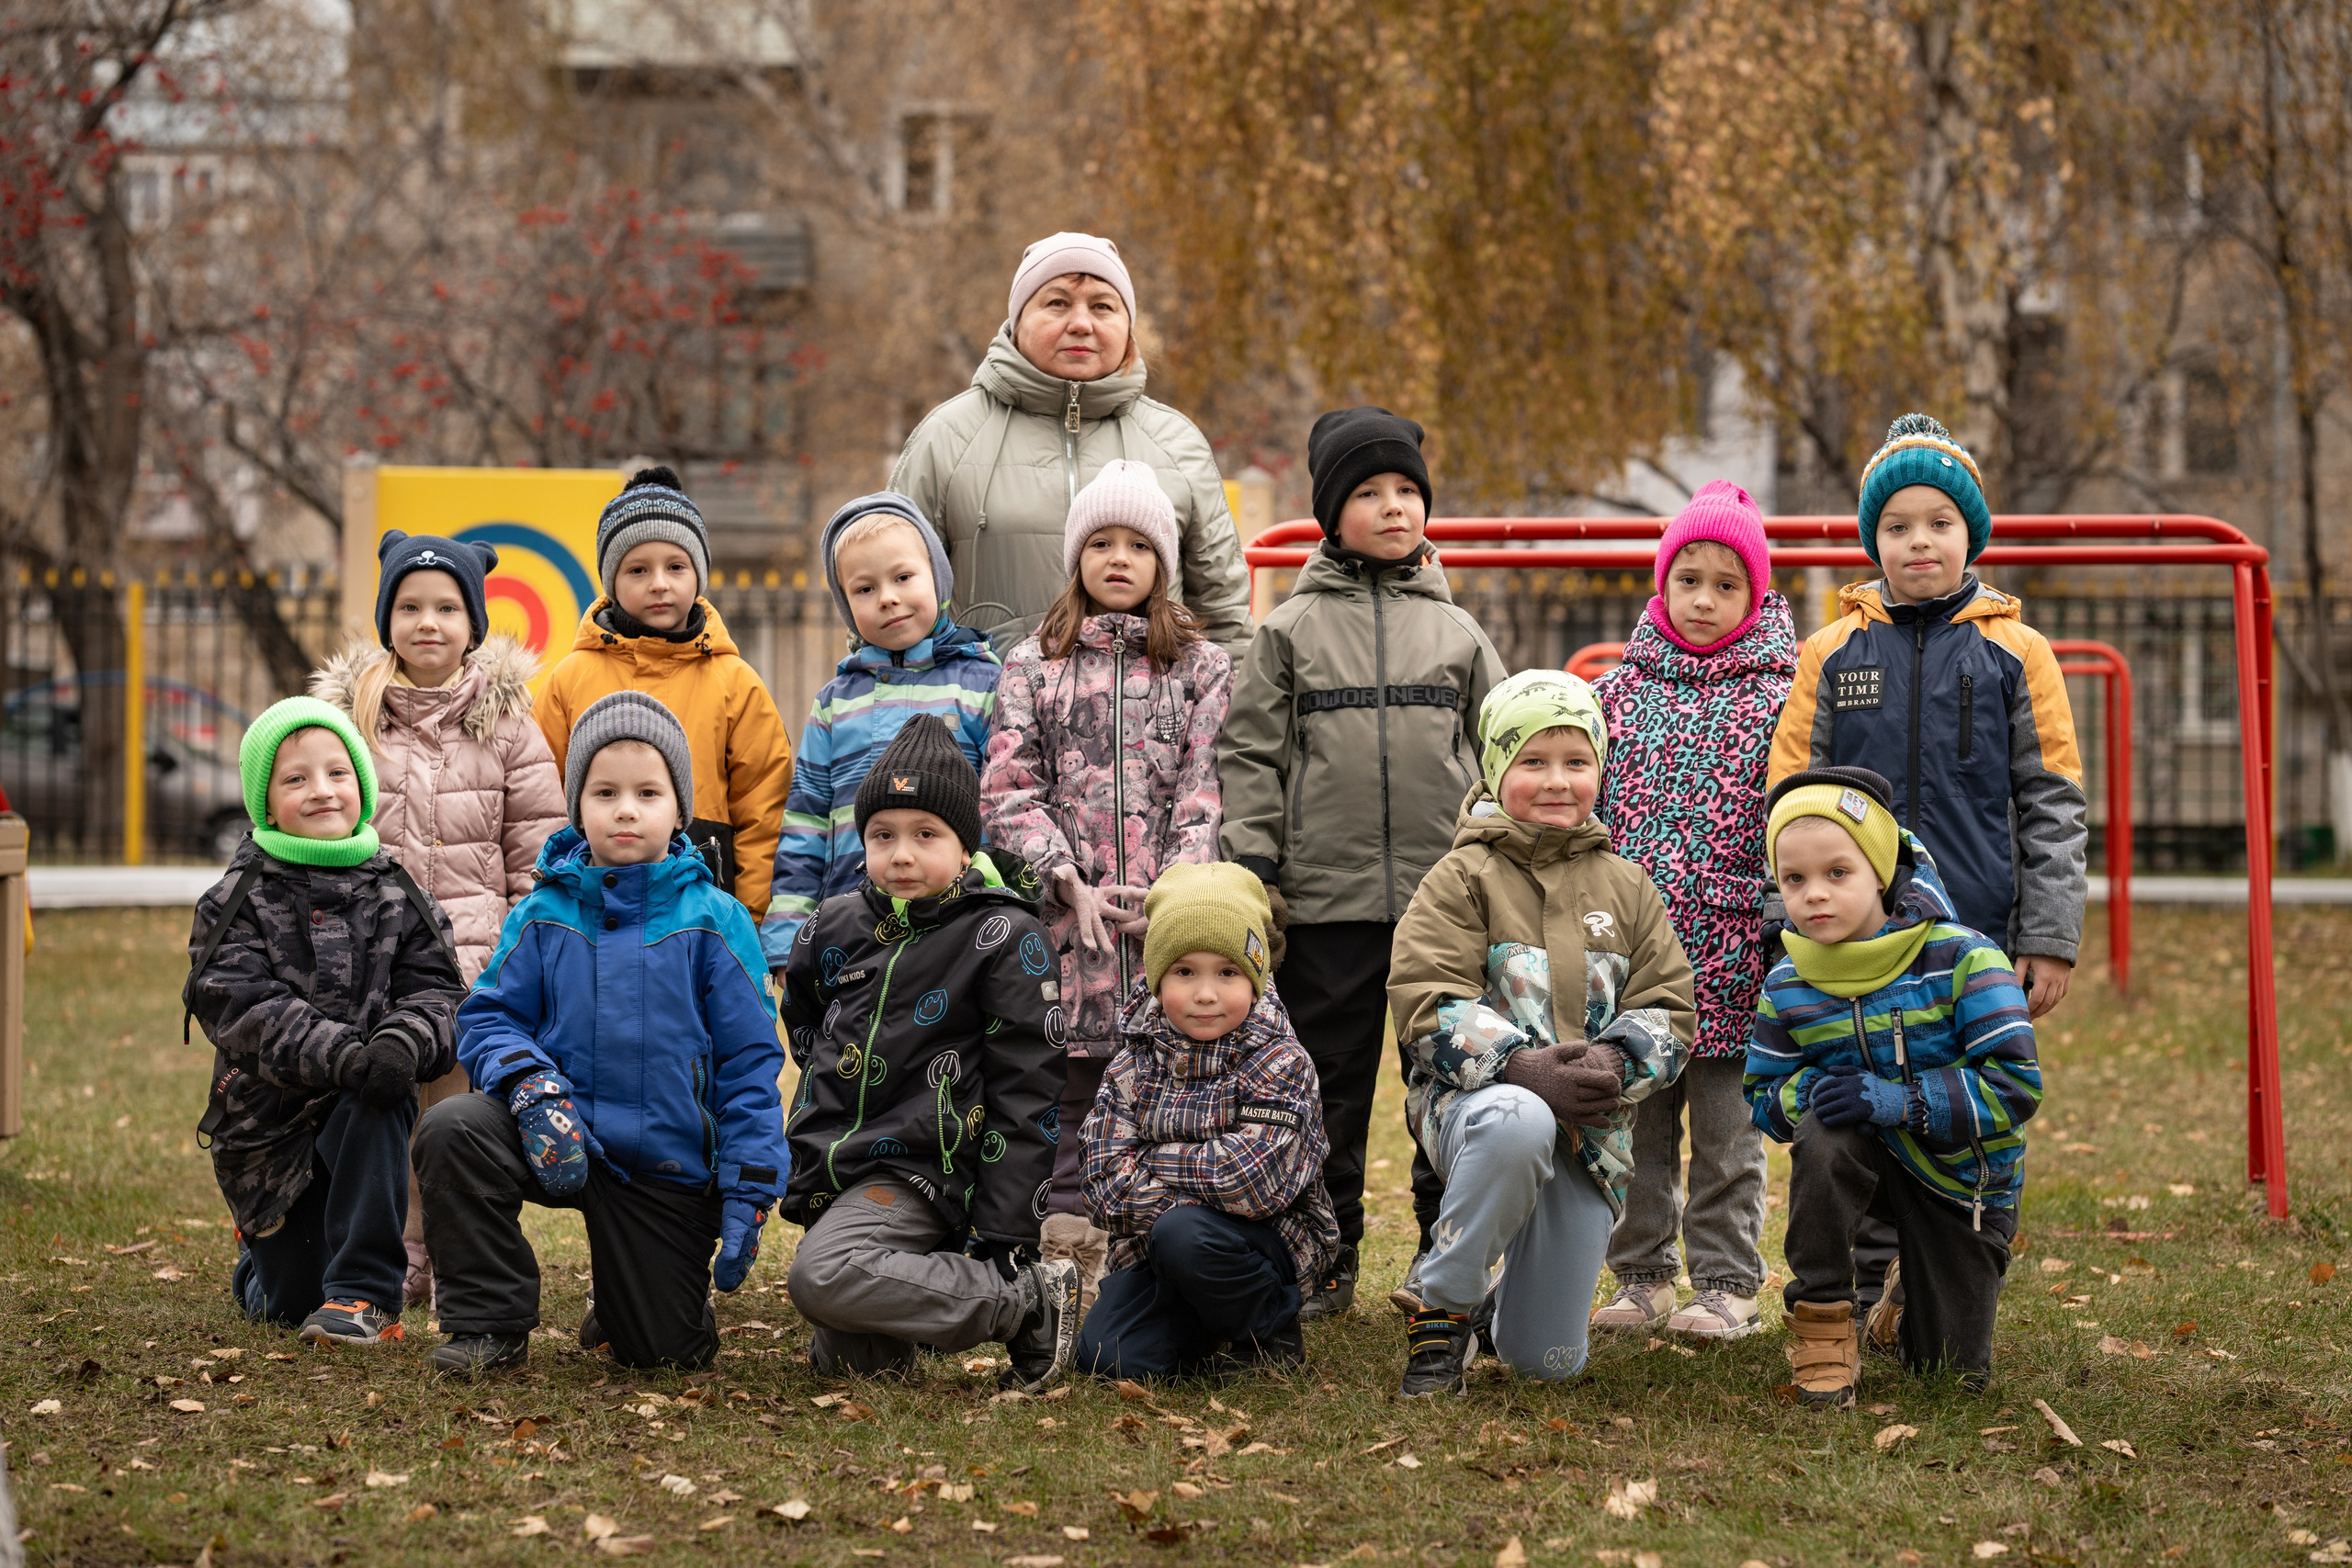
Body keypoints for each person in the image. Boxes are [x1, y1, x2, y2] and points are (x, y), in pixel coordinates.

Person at [1769, 412, 2084, 1311]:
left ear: (1969, 536)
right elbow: (1787, 797)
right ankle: (1863, 1284)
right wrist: (1779, 917)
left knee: (1960, 1107)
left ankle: (1947, 1262)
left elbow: (2052, 799)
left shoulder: (2016, 654)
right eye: (1898, 525)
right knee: (1860, 1090)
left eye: (1938, 523)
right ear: (1874, 540)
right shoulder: (1830, 654)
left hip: (1973, 934)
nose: (1918, 541)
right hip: (1855, 937)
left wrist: (2049, 934)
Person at [1218, 406, 1505, 1320]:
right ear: (1330, 512)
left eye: (1407, 491)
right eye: (1369, 492)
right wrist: (1258, 867)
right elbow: (1252, 757)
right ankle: (1324, 1255)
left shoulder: (1458, 634)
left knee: (1452, 1077)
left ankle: (1443, 1255)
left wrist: (1493, 865)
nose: (1392, 508)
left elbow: (1498, 750)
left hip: (1442, 903)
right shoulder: (1289, 631)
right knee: (1326, 1088)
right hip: (1326, 900)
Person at [418, 692, 785, 1377]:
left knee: (663, 1353)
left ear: (679, 807)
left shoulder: (717, 920)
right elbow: (488, 1016)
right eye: (604, 790)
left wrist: (749, 1187)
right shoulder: (542, 911)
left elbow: (748, 1064)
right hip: (553, 1132)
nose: (625, 808)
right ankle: (489, 1321)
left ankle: (634, 1296)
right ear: (576, 804)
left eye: (648, 792)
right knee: (453, 1127)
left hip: (664, 1164)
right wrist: (530, 1084)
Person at [1385, 671, 1695, 1396]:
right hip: (1478, 1109)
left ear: (1599, 769)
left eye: (1576, 761)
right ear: (1497, 770)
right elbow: (1425, 998)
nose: (1557, 781)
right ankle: (1443, 1307)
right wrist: (1520, 1067)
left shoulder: (1628, 886)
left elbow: (1671, 1005)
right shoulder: (1462, 875)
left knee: (1546, 1360)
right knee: (1519, 1118)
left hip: (1589, 1136)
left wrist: (1618, 1060)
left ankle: (1503, 1311)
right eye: (1533, 761)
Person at [980, 459, 1232, 1308]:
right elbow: (1010, 790)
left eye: (1137, 545)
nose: (1118, 559)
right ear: (1075, 556)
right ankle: (1062, 1272)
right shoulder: (1032, 664)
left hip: (1161, 933)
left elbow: (1204, 790)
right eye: (1100, 543)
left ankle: (1147, 1265)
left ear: (1163, 561)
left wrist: (1171, 895)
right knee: (1070, 1098)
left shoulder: (1199, 669)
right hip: (1068, 933)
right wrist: (1064, 880)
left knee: (1161, 1093)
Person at [778, 716, 1080, 1391]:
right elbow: (804, 1017)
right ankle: (899, 1320)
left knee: (823, 1274)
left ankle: (1028, 1300)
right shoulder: (836, 924)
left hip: (930, 1167)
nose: (902, 855)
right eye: (882, 835)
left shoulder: (1004, 934)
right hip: (846, 1163)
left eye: (925, 835)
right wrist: (836, 1097)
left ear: (963, 843)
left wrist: (1007, 1233)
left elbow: (1028, 1091)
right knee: (855, 1364)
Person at [312, 529, 566, 1308]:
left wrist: (523, 955)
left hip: (474, 964)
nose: (429, 622)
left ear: (474, 623)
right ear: (387, 616)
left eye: (448, 607)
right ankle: (394, 1253)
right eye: (411, 606)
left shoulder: (510, 728)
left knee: (453, 1118)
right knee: (385, 1114)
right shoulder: (353, 723)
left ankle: (455, 1255)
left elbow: (536, 851)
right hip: (373, 969)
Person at [1747, 767, 2040, 1404]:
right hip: (1862, 1163)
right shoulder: (1789, 981)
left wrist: (1899, 1100)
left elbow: (2015, 1085)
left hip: (1959, 1180)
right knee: (1826, 1131)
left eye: (1837, 873)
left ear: (1880, 869)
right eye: (1794, 879)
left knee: (1948, 1374)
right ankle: (1824, 1324)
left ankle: (1905, 1300)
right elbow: (1763, 1099)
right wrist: (1808, 1096)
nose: (1814, 895)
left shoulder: (1965, 957)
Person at [1587, 482, 1795, 1342]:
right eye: (1689, 580)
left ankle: (1726, 1281)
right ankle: (1642, 1277)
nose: (1704, 600)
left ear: (1756, 596)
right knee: (1638, 1130)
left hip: (1736, 949)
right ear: (1662, 586)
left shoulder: (1781, 697)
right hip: (1638, 959)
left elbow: (1793, 817)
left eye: (1726, 585)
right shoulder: (1617, 693)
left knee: (1727, 1133)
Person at [188, 697, 464, 1348]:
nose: (322, 791)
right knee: (288, 1304)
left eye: (338, 773)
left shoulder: (398, 889)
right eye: (295, 778)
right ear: (265, 800)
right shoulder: (235, 899)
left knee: (378, 1092)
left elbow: (442, 991)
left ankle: (366, 1296)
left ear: (362, 785)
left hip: (364, 1105)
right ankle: (259, 1268)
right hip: (267, 1131)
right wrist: (341, 1052)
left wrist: (401, 1042)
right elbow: (240, 1003)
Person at [889, 231, 1250, 655]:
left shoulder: (1177, 443)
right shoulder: (945, 438)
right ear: (1018, 320)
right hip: (983, 717)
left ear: (1127, 325)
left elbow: (1224, 616)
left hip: (1154, 720)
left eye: (1102, 306)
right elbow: (882, 594)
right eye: (1057, 303)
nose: (1081, 322)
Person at [1076, 862, 1338, 1380]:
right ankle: (1202, 1321)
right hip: (1156, 1245)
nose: (1205, 994)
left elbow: (1249, 1182)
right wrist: (1174, 1206)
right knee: (1109, 1359)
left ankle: (1268, 1329)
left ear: (1256, 976)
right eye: (1184, 972)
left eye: (1227, 972)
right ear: (1156, 977)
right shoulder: (1134, 1059)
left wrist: (1147, 1158)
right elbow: (1101, 1182)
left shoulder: (1280, 1059)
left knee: (1187, 1234)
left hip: (1269, 1240)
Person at [538, 466, 793, 918]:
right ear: (611, 581)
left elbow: (764, 810)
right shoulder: (569, 679)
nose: (659, 583)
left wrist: (751, 917)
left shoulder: (736, 682)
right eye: (638, 569)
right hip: (589, 902)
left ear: (699, 574)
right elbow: (538, 801)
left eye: (676, 566)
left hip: (706, 913)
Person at [761, 491, 1001, 965]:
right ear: (847, 606)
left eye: (903, 577)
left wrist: (998, 908)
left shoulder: (983, 686)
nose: (888, 597)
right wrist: (786, 940)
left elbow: (996, 811)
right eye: (865, 590)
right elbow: (806, 820)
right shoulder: (835, 702)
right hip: (849, 929)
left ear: (937, 577)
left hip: (957, 928)